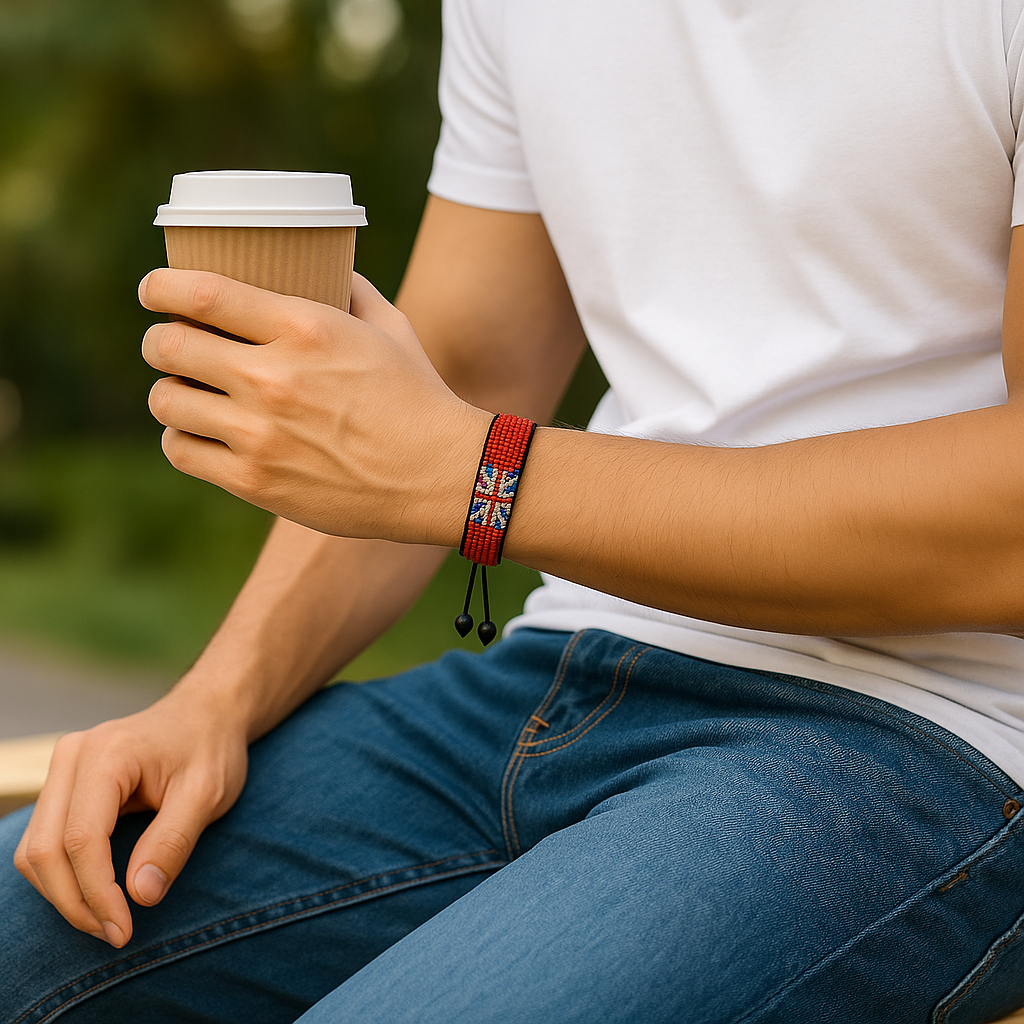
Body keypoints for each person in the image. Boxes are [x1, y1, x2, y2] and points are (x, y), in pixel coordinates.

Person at [5, 0, 1024, 1021]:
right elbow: (465, 370)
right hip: (557, 676)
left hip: (935, 727)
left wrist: (471, 471)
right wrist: (212, 701)